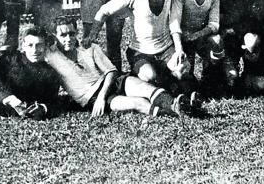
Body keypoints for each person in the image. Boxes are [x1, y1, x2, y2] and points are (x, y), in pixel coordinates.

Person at [85, 0, 194, 96]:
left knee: (182, 71)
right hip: (140, 51)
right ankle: (138, 76)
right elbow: (104, 11)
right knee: (149, 77)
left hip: (166, 48)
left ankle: (166, 76)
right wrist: (92, 35)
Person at [45, 17, 195, 117]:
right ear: (54, 36)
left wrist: (102, 96)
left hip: (110, 83)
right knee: (138, 103)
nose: (68, 39)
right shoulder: (51, 57)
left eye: (71, 33)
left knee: (146, 88)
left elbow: (111, 71)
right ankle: (178, 112)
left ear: (77, 32)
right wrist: (101, 99)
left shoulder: (89, 48)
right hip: (92, 97)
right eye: (63, 35)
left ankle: (177, 105)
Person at [0, 26, 62, 121]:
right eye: (30, 45)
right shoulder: (12, 58)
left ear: (46, 46)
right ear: (23, 46)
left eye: (39, 45)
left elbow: (52, 101)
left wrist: (42, 108)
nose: (34, 50)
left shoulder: (50, 71)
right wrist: (9, 98)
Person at [174, 0, 226, 96]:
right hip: (183, 36)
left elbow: (214, 25)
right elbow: (175, 19)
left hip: (201, 35)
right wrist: (186, 37)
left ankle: (210, 78)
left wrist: (197, 35)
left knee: (217, 41)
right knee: (184, 77)